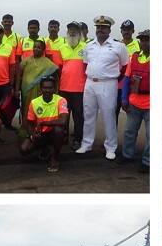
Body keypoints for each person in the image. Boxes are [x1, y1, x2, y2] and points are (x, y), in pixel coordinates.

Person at [77, 15, 129, 160]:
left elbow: (125, 67)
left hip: (108, 83)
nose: (100, 30)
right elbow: (85, 64)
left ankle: (110, 147)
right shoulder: (89, 45)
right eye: (98, 27)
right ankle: (86, 144)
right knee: (88, 115)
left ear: (109, 29)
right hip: (90, 83)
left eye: (103, 27)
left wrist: (114, 78)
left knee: (109, 115)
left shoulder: (119, 46)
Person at [19, 75, 69, 172]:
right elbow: (30, 123)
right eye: (45, 88)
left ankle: (55, 158)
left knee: (59, 130)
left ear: (54, 89)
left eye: (50, 88)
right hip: (41, 134)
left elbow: (63, 121)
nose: (47, 90)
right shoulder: (34, 102)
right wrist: (32, 135)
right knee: (24, 150)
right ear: (41, 89)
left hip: (54, 133)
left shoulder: (61, 100)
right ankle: (45, 149)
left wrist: (43, 123)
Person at [118, 29, 150, 173]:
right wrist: (124, 98)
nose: (145, 42)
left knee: (151, 134)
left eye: (148, 40)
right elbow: (126, 79)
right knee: (129, 131)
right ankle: (127, 155)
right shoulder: (135, 57)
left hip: (151, 104)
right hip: (134, 102)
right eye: (142, 40)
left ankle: (147, 161)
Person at [15, 39, 58, 134]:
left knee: (39, 110)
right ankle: (26, 130)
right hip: (27, 92)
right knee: (27, 110)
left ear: (43, 49)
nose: (36, 49)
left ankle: (40, 130)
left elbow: (55, 74)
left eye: (39, 47)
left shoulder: (47, 63)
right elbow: (18, 75)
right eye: (34, 47)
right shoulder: (26, 61)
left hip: (41, 92)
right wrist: (17, 90)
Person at [60, 21, 87, 150]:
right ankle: (63, 136)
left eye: (75, 30)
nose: (72, 31)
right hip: (63, 88)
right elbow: (59, 68)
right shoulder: (62, 47)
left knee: (78, 115)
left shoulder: (85, 47)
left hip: (79, 89)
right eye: (70, 29)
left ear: (79, 32)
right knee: (64, 114)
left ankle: (78, 138)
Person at [116, 19, 140, 120]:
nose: (126, 32)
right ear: (121, 31)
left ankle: (131, 135)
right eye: (124, 29)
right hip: (117, 84)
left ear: (133, 31)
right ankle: (113, 135)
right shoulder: (116, 45)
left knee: (132, 114)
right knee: (114, 112)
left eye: (129, 29)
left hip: (132, 85)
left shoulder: (139, 45)